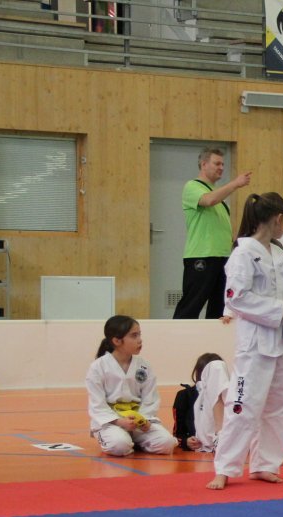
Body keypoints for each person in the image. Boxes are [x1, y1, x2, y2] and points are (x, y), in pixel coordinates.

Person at [207, 192, 283, 490]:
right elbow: (235, 298)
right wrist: (277, 309)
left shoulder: (279, 252)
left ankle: (265, 464)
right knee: (244, 404)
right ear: (278, 219)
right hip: (255, 342)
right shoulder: (243, 254)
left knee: (280, 404)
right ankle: (225, 467)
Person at [174, 147, 251, 319]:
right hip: (202, 255)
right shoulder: (192, 186)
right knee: (192, 304)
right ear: (203, 164)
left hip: (222, 256)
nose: (221, 167)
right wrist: (235, 184)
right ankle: (179, 334)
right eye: (217, 163)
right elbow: (209, 200)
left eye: (223, 164)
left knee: (219, 307)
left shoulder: (217, 194)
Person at [86, 315, 178, 457]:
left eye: (139, 334)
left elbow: (150, 398)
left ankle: (135, 440)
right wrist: (119, 421)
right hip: (112, 422)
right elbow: (97, 404)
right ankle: (124, 439)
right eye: (134, 336)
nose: (140, 340)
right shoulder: (98, 367)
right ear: (117, 341)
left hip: (139, 420)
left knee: (167, 443)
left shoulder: (144, 366)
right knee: (119, 446)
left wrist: (144, 420)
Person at [186, 352, 230, 453]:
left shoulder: (232, 396)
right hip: (201, 450)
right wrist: (186, 441)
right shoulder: (186, 395)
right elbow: (179, 434)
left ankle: (220, 437)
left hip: (225, 444)